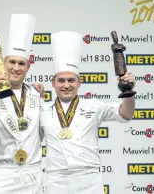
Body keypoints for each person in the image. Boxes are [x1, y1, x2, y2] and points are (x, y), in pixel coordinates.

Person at [40, 31, 136, 194]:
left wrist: (129, 92)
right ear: (53, 83)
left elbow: (125, 113)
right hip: (56, 181)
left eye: (71, 80)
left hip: (89, 181)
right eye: (61, 80)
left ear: (79, 82)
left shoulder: (94, 106)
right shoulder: (42, 110)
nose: (66, 85)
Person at [0, 14, 45, 194]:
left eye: (21, 63)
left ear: (28, 67)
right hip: (1, 175)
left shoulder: (36, 95)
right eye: (12, 62)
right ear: (4, 63)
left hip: (32, 174)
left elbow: (44, 132)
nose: (16, 68)